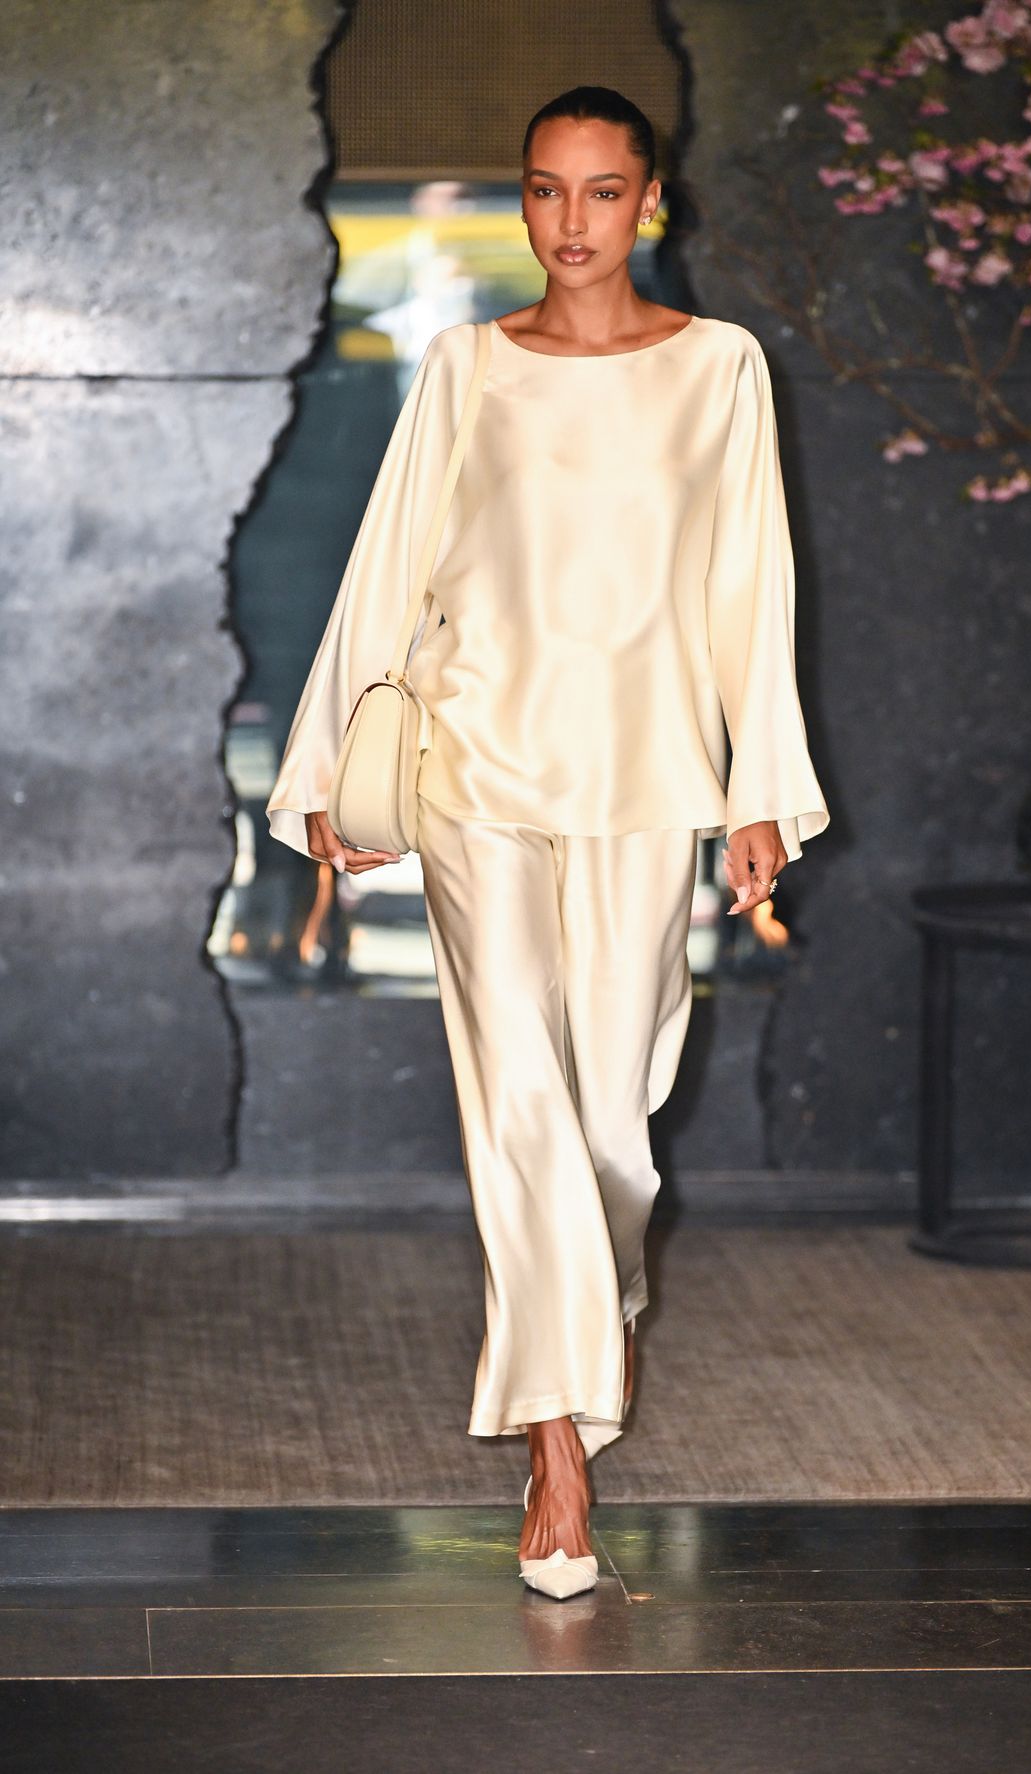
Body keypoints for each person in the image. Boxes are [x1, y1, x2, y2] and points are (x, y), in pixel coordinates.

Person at [265, 85, 830, 1599]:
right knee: (516, 1091)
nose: (570, 220)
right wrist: (326, 772)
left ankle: (598, 1312)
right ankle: (557, 1447)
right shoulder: (467, 366)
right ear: (522, 201)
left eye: (601, 190)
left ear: (651, 200)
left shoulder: (721, 368)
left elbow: (750, 588)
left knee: (614, 1126)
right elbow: (387, 568)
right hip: (480, 773)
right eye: (544, 189)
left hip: (646, 779)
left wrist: (759, 789)